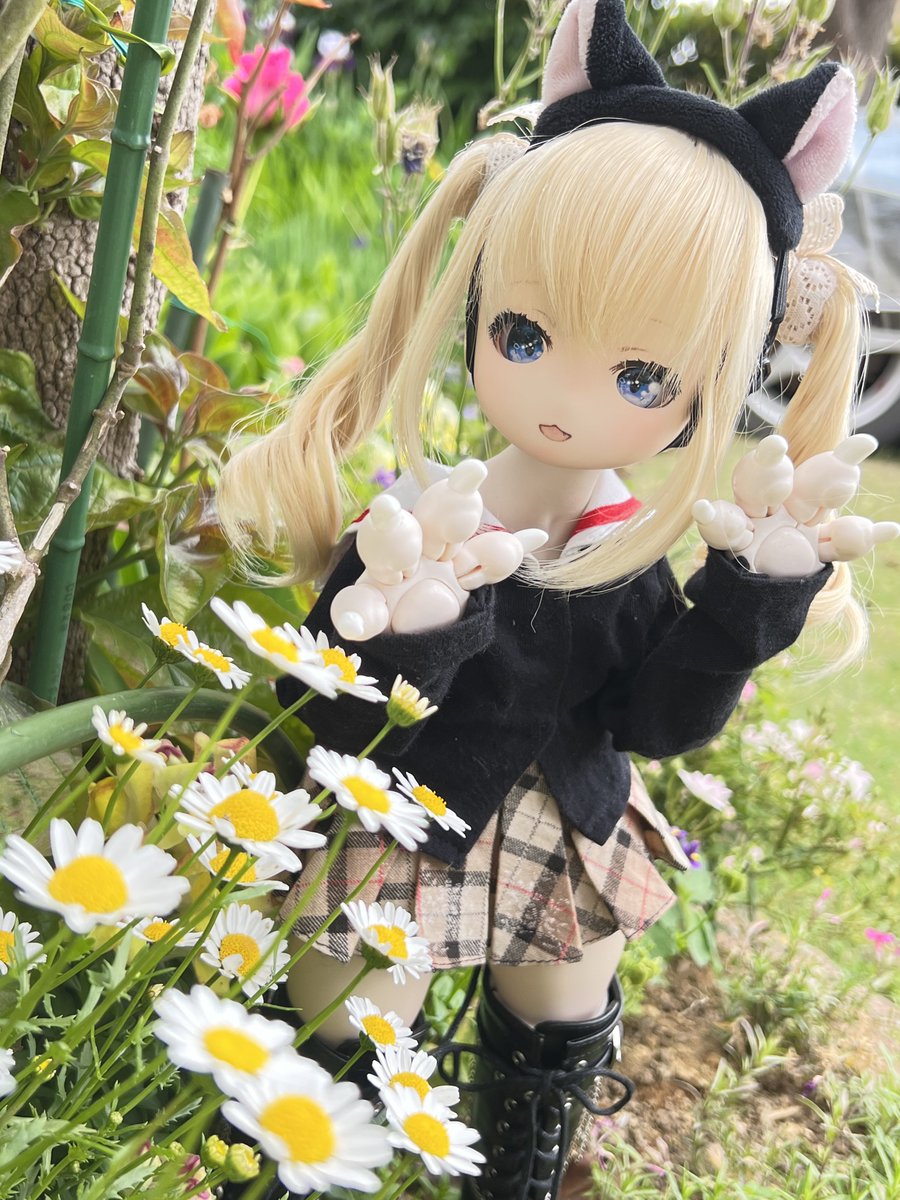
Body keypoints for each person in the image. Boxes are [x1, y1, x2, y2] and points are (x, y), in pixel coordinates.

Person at [216, 2, 897, 1195]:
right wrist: (408, 623)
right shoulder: (422, 522)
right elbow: (324, 711)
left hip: (563, 821)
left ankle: (517, 1170)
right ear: (477, 305)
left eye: (643, 376)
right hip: (403, 815)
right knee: (346, 1018)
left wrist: (746, 604)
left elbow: (657, 720)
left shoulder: (624, 555)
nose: (572, 401)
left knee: (559, 1014)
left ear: (718, 382)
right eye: (525, 335)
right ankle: (298, 1163)